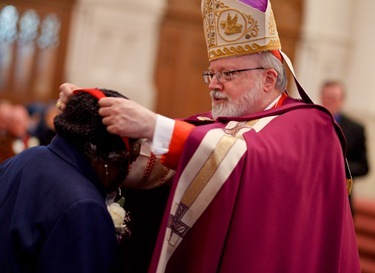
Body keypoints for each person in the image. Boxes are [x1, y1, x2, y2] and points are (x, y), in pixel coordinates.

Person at [58, 0, 361, 272]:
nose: (213, 84)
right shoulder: (222, 123)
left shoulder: (311, 126)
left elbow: (255, 160)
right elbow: (171, 160)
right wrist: (93, 110)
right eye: (212, 73)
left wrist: (156, 127)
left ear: (269, 78)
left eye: (228, 74)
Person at [0, 88, 140, 273]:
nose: (127, 170)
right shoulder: (85, 206)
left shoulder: (26, 157)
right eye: (129, 159)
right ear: (108, 157)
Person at [320, 80, 369, 216]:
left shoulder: (356, 129)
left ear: (342, 100)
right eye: (326, 98)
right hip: (313, 195)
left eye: (333, 98)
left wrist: (338, 167)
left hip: (341, 197)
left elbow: (364, 167)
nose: (329, 102)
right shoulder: (310, 124)